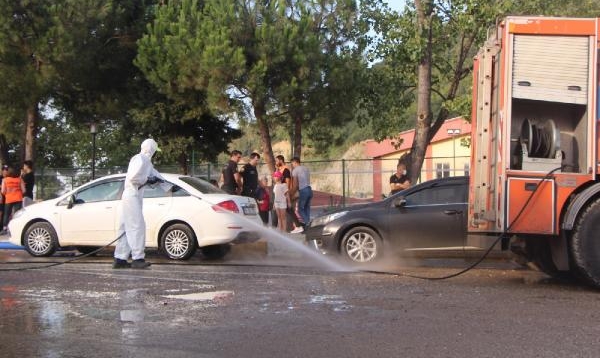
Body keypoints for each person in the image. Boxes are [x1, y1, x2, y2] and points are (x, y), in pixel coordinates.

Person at [113, 138, 164, 269]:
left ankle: (120, 259)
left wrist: (170, 187)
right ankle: (138, 258)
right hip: (131, 195)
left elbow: (158, 177)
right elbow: (134, 177)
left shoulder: (147, 163)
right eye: (155, 151)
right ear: (151, 149)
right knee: (137, 226)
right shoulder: (140, 159)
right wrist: (148, 179)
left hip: (133, 196)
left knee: (126, 228)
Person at [275, 154, 302, 231]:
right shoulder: (280, 169)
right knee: (284, 210)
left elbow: (288, 182)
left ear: (281, 160)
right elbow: (276, 178)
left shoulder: (286, 170)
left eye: (277, 160)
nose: (276, 162)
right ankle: (296, 225)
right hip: (280, 193)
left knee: (286, 210)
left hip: (283, 193)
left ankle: (297, 225)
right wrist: (277, 169)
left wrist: (286, 193)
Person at [290, 157, 312, 233]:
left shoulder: (295, 170)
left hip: (303, 190)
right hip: (309, 189)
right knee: (306, 209)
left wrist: (290, 194)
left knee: (300, 209)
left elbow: (296, 185)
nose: (292, 165)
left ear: (295, 162)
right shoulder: (306, 168)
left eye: (292, 163)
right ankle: (308, 225)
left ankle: (308, 225)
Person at [1, 166, 25, 234]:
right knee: (17, 214)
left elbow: (3, 191)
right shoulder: (20, 179)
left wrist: (8, 193)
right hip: (18, 198)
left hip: (9, 199)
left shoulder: (5, 180)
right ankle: (16, 229)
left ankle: (5, 229)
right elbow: (24, 190)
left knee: (7, 214)